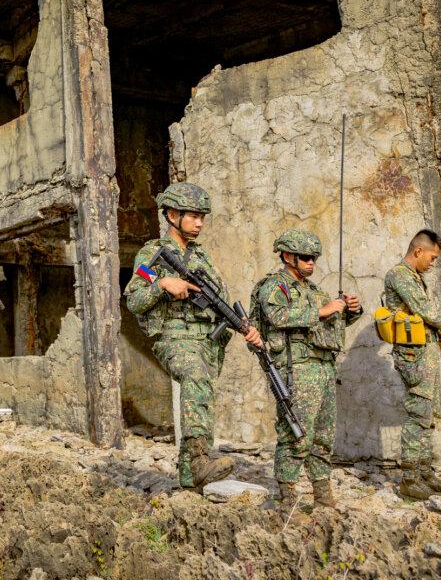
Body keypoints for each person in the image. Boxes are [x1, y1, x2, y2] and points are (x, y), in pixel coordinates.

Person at [124, 182, 263, 492]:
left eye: (203, 217)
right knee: (196, 378)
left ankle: (191, 480)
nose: (200, 223)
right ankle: (200, 460)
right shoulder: (153, 255)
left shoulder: (202, 256)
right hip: (174, 336)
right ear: (173, 215)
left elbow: (221, 298)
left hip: (205, 339)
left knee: (201, 398)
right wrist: (163, 285)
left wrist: (244, 326)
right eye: (194, 216)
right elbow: (134, 297)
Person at [251, 229, 362, 515]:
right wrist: (323, 311)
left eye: (314, 258)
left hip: (323, 367)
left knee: (323, 436)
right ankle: (286, 497)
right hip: (296, 368)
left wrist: (349, 311)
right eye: (305, 258)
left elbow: (329, 326)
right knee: (296, 434)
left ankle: (323, 496)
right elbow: (277, 317)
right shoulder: (275, 287)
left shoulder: (313, 290)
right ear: (288, 257)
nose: (311, 263)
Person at [383, 229, 441, 500]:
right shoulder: (399, 274)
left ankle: (425, 474)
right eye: (432, 258)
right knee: (418, 415)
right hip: (414, 356)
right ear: (418, 251)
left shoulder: (416, 277)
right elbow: (421, 308)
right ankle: (409, 479)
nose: (433, 263)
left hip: (425, 353)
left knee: (427, 416)